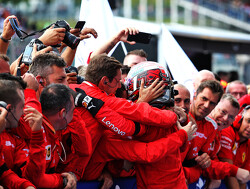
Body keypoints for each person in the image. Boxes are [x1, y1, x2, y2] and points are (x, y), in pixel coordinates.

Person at [218, 105, 250, 189]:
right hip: (218, 178)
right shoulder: (228, 130)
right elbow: (229, 172)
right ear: (240, 119)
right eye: (248, 121)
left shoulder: (248, 144)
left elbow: (243, 178)